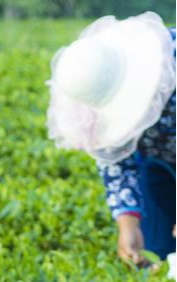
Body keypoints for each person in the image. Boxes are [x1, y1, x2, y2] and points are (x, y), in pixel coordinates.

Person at [47, 12, 176, 267]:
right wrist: (128, 224)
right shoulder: (92, 90)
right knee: (157, 254)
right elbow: (115, 160)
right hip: (157, 161)